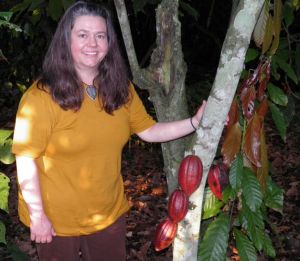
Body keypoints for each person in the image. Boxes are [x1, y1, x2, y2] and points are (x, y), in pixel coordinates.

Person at [12, 1, 206, 260]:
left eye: (100, 36)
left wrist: (194, 122)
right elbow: (26, 159)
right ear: (65, 40)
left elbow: (148, 130)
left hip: (107, 213)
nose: (92, 43)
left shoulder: (119, 88)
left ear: (109, 43)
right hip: (55, 219)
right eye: (82, 35)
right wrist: (38, 216)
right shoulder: (40, 97)